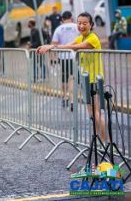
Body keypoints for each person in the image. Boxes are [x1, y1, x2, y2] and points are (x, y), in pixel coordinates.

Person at [37, 12, 106, 141]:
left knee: (96, 113)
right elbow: (70, 45)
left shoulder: (93, 38)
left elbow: (72, 47)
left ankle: (105, 142)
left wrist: (51, 46)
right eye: (79, 23)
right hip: (86, 79)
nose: (81, 26)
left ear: (91, 25)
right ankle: (97, 142)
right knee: (91, 113)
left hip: (95, 79)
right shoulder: (82, 38)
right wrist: (51, 48)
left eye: (85, 23)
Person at [51, 11, 79, 111]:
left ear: (62, 19)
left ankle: (64, 97)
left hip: (63, 57)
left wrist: (52, 58)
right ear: (71, 17)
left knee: (64, 78)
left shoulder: (58, 29)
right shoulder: (77, 27)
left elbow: (54, 43)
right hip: (74, 56)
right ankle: (72, 101)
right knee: (71, 78)